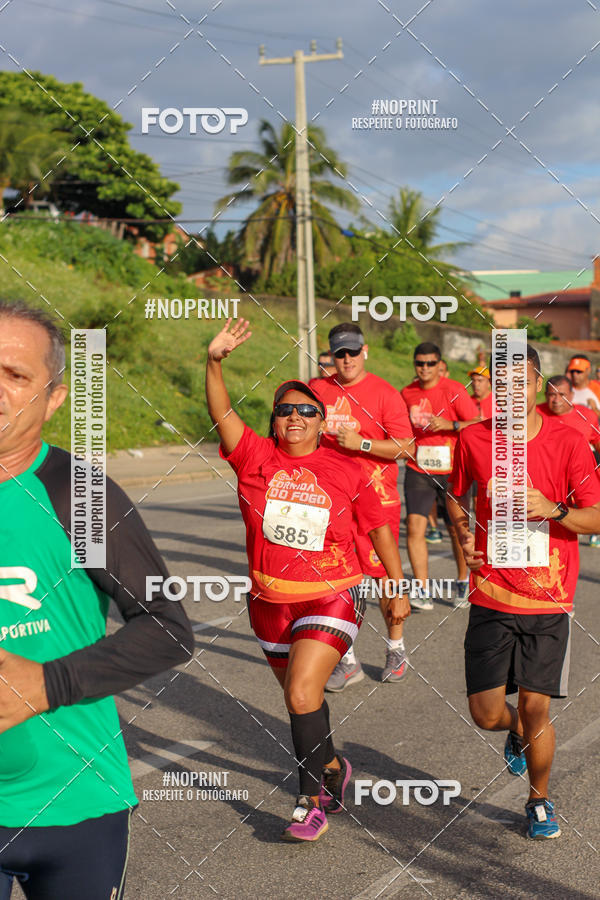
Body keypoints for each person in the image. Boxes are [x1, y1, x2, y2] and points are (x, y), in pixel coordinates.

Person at [0, 301, 194, 898]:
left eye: (16, 375)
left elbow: (167, 627)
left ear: (53, 398)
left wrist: (49, 682)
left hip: (77, 800)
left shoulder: (78, 494)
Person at [206, 318, 409, 842]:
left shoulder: (346, 464)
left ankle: (309, 800)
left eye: (306, 410)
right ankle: (335, 769)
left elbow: (381, 530)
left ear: (323, 421)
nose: (294, 417)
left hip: (333, 592)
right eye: (284, 410)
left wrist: (397, 585)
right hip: (268, 602)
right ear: (273, 421)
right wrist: (214, 362)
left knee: (300, 694)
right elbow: (222, 413)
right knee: (304, 702)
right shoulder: (254, 457)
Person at [446, 345, 600, 840]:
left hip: (548, 599)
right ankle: (515, 731)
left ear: (537, 386)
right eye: (502, 383)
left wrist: (553, 508)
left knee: (537, 706)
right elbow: (458, 497)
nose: (511, 393)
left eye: (521, 382)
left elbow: (595, 516)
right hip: (491, 594)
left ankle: (539, 798)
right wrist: (465, 542)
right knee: (485, 713)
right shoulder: (472, 438)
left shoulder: (570, 441)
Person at [310, 323, 415, 689]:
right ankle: (348, 658)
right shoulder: (317, 389)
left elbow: (406, 447)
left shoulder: (384, 393)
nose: (347, 359)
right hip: (331, 501)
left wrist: (363, 445)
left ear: (365, 351)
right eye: (340, 353)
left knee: (385, 575)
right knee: (338, 576)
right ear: (332, 356)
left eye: (353, 352)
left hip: (376, 499)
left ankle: (396, 649)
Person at [401, 342, 479, 610]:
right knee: (414, 527)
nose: (424, 368)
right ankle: (421, 588)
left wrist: (451, 425)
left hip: (452, 470)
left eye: (430, 363)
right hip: (419, 469)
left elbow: (478, 423)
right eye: (419, 363)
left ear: (439, 364)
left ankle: (461, 581)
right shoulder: (407, 393)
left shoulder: (454, 389)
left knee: (458, 529)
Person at [539, 375, 600, 547]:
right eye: (551, 395)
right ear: (544, 395)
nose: (556, 400)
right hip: (546, 482)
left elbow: (597, 441)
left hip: (578, 482)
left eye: (562, 394)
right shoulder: (535, 414)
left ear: (572, 395)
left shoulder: (587, 416)